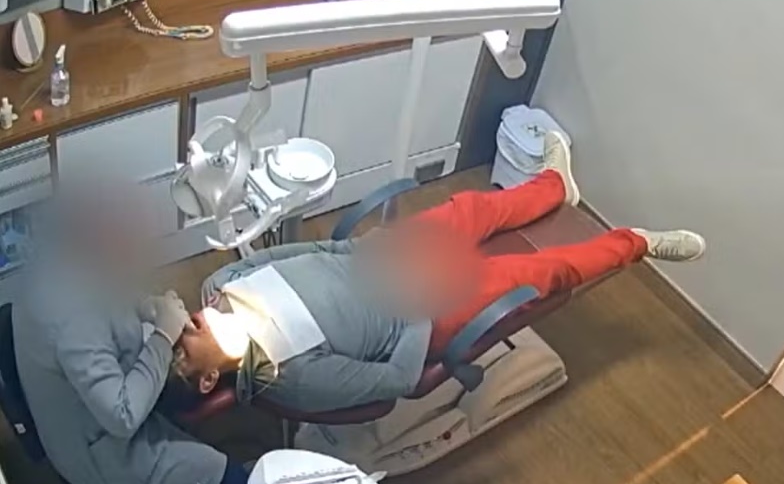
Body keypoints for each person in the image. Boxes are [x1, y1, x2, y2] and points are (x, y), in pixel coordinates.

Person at [171, 132, 706, 413]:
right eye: (180, 352)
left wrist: (357, 249)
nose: (181, 330)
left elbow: (301, 253)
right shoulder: (288, 378)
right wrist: (419, 309)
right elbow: (397, 381)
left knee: (469, 209)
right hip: (421, 311)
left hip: (379, 258)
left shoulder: (221, 286)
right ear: (209, 379)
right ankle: (637, 243)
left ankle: (554, 186)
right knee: (540, 273)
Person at [12, 179, 249, 484]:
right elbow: (122, 416)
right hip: (105, 452)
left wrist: (146, 305)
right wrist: (162, 337)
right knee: (226, 476)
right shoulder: (71, 323)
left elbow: (108, 292)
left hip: (91, 396)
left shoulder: (64, 259)